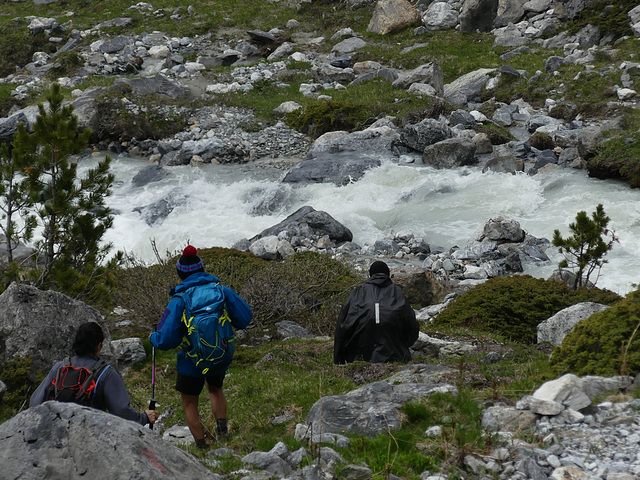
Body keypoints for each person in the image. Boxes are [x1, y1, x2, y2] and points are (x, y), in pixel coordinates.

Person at [150, 245, 251, 449]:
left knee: (189, 402)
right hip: (220, 353)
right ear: (202, 269)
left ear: (180, 274)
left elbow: (165, 340)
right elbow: (245, 318)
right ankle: (222, 434)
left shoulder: (179, 300)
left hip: (192, 361)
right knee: (216, 389)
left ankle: (202, 448)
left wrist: (153, 337)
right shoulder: (221, 291)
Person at [30, 322, 159, 426]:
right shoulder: (105, 373)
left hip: (56, 430)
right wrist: (144, 417)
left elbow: (35, 402)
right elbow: (122, 412)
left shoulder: (60, 367)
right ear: (98, 346)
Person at [334, 260, 419, 365]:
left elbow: (342, 326)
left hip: (358, 356)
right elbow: (412, 325)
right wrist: (404, 346)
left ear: (371, 275)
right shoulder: (396, 292)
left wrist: (339, 359)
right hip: (396, 356)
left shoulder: (358, 292)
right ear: (387, 274)